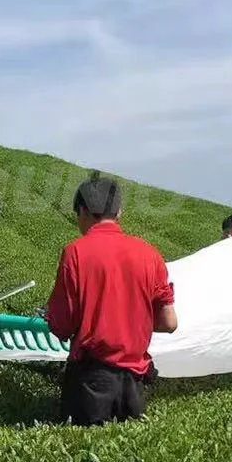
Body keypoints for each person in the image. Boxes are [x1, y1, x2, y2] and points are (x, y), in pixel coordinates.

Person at [44, 174, 178, 426]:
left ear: (82, 210)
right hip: (135, 383)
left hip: (91, 384)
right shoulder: (150, 254)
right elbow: (169, 322)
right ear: (119, 212)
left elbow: (62, 324)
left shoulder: (76, 252)